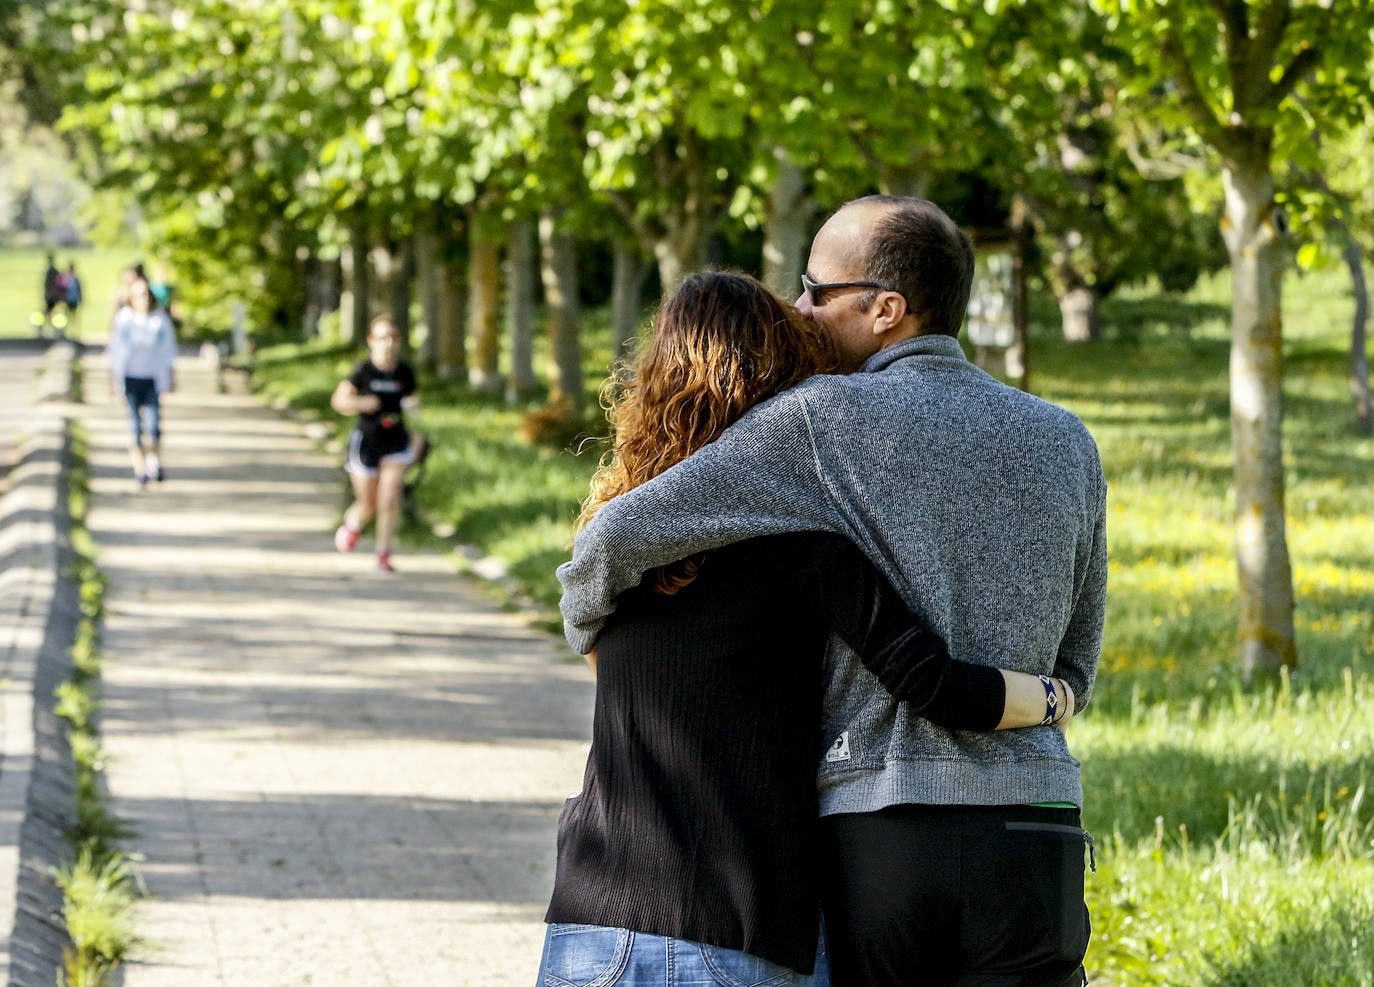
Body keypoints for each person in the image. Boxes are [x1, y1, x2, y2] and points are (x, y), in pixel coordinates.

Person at [557, 198, 1108, 986]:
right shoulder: (1068, 439)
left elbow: (616, 535)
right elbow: (1076, 663)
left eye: (816, 289)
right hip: (1037, 829)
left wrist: (589, 629)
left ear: (886, 309)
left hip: (879, 831)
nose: (801, 310)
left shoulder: (817, 421)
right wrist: (1058, 703)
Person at [330, 314, 420, 572]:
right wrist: (361, 403)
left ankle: (383, 553)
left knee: (389, 497)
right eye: (382, 338)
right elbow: (338, 401)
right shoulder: (363, 371)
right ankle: (353, 525)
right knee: (368, 504)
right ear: (371, 341)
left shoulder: (404, 372)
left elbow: (413, 400)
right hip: (367, 442)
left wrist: (413, 406)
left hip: (396, 440)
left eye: (393, 337)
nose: (388, 343)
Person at [108, 275, 177, 488]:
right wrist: (112, 379)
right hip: (130, 378)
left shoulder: (160, 320)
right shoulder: (124, 319)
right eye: (139, 294)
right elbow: (115, 351)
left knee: (154, 427)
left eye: (146, 293)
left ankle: (154, 462)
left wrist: (171, 376)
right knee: (136, 428)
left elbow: (169, 351)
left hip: (153, 378)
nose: (143, 298)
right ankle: (140, 470)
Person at [41, 253, 62, 338]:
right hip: (52, 295)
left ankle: (53, 328)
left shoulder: (51, 271)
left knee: (50, 312)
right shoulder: (53, 270)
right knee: (50, 312)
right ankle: (51, 328)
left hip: (51, 295)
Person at [64, 262, 84, 335]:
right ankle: (66, 332)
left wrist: (80, 298)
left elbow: (79, 289)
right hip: (67, 300)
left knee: (74, 316)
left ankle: (74, 332)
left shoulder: (76, 278)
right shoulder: (66, 278)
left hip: (74, 299)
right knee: (66, 316)